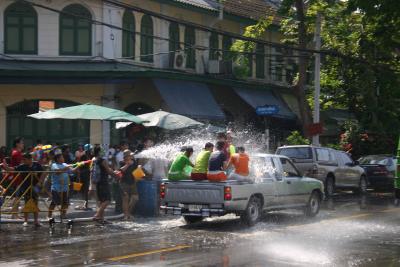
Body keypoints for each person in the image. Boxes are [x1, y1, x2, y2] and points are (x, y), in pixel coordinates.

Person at [3, 153, 45, 226]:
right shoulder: (22, 166)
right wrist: (5, 165)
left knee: (35, 202)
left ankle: (36, 221)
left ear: (30, 159)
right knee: (27, 203)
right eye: (23, 159)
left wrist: (40, 182)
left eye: (24, 160)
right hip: (26, 186)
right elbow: (11, 169)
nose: (23, 161)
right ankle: (25, 221)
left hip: (35, 186)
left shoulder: (37, 165)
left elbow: (43, 173)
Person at [48, 154, 78, 219]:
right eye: (62, 157)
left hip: (65, 186)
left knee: (65, 202)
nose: (63, 158)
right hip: (56, 186)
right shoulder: (54, 165)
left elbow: (72, 171)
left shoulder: (65, 164)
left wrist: (79, 165)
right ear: (58, 159)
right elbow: (58, 172)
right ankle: (49, 215)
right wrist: (67, 167)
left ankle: (63, 214)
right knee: (55, 202)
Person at [91, 146, 116, 223]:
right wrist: (115, 174)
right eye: (102, 150)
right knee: (108, 200)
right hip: (103, 181)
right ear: (99, 152)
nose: (104, 151)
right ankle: (97, 215)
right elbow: (108, 171)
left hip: (97, 182)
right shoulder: (103, 160)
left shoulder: (94, 160)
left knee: (102, 201)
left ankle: (101, 219)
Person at [118, 149, 139, 220]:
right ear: (125, 156)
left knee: (135, 198)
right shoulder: (122, 162)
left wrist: (139, 168)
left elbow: (137, 171)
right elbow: (120, 171)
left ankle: (128, 213)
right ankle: (126, 216)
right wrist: (127, 164)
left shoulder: (134, 162)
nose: (130, 156)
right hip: (124, 183)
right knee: (125, 199)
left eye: (130, 154)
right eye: (129, 155)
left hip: (132, 183)